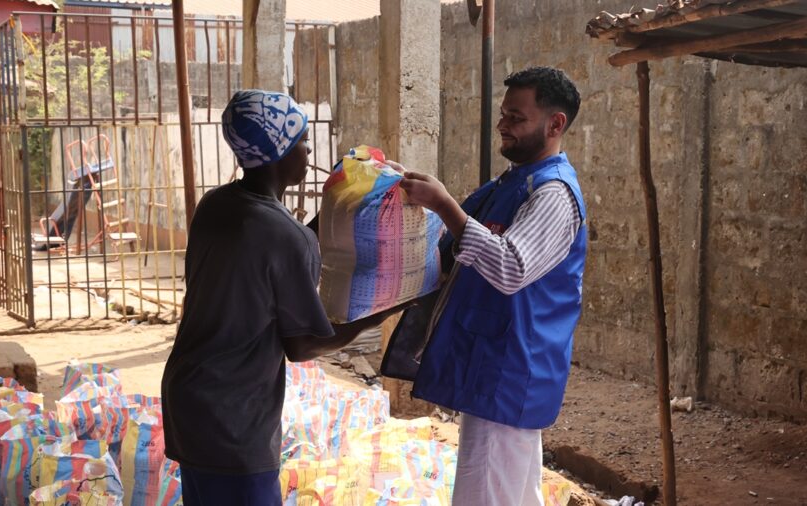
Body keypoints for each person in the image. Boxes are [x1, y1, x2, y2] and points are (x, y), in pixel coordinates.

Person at [160, 89, 400, 505]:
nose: (308, 152)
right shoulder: (284, 237)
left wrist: (344, 199)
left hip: (190, 401)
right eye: (303, 142)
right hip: (234, 419)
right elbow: (302, 345)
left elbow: (283, 241)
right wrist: (376, 316)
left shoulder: (215, 206)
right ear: (280, 153)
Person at [400, 66, 585, 506]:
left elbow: (510, 267)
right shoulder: (510, 184)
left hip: (508, 374)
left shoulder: (553, 194)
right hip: (492, 368)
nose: (503, 125)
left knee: (485, 493)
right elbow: (451, 244)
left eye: (516, 118)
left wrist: (445, 204)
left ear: (554, 124)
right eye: (504, 114)